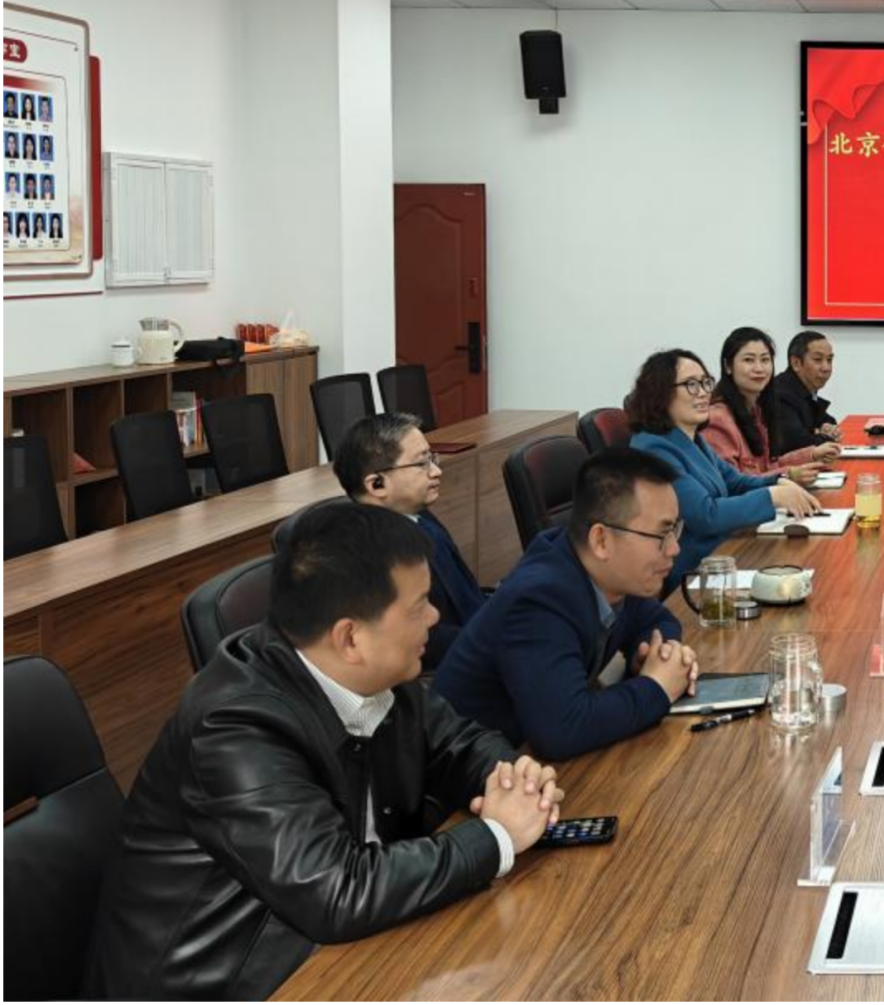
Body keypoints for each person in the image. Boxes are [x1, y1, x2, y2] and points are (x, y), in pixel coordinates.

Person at [85, 504, 564, 1000]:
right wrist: (496, 837)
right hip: (225, 981)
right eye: (419, 606)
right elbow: (336, 890)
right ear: (350, 637)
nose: (435, 616)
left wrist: (514, 778)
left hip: (330, 946)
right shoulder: (231, 728)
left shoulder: (377, 670)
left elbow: (457, 741)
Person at [434, 448, 700, 760]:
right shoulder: (539, 600)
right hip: (475, 774)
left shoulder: (607, 572)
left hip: (530, 764)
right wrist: (658, 687)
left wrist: (652, 654)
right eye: (662, 534)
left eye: (675, 529)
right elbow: (562, 730)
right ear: (601, 540)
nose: (674, 548)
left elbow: (659, 620)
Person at [626, 347, 820, 588]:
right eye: (691, 385)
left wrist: (779, 482)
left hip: (724, 553)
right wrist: (772, 496)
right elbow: (705, 515)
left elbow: (735, 482)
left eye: (706, 383)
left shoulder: (692, 438)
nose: (703, 393)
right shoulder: (654, 448)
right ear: (661, 393)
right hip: (692, 571)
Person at [333, 412, 487, 668]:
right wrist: (495, 641)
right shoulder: (371, 553)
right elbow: (419, 641)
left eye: (432, 459)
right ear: (377, 485)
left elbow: (465, 598)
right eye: (422, 464)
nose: (436, 471)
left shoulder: (419, 516)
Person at [703, 326, 837, 481]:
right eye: (749, 360)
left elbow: (769, 466)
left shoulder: (756, 411)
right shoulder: (718, 419)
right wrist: (787, 475)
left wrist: (812, 454)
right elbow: (732, 484)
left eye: (765, 360)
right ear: (728, 366)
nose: (759, 368)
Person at [769, 329, 841, 455]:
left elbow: (825, 419)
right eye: (818, 360)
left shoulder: (803, 389)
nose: (826, 368)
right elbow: (799, 444)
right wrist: (826, 437)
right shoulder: (781, 395)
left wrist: (827, 427)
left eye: (829, 360)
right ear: (796, 363)